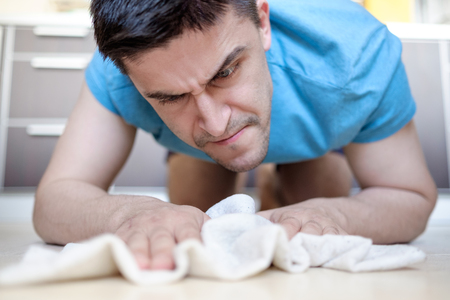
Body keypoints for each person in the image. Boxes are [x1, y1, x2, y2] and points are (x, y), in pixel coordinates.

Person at [33, 0, 437, 270]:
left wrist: (336, 213)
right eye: (171, 97)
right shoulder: (120, 69)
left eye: (225, 73)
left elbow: (410, 195)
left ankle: (280, 175)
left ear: (262, 21)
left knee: (315, 208)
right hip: (195, 154)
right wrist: (131, 214)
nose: (214, 122)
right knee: (194, 222)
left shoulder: (358, 56)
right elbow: (56, 198)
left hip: (317, 136)